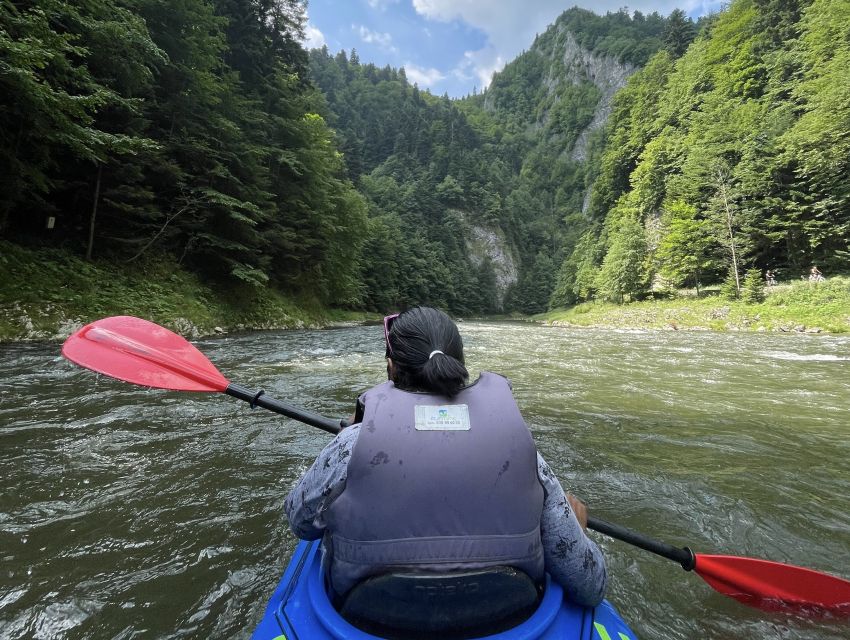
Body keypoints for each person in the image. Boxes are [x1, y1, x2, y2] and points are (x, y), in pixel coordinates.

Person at [284, 306, 607, 612]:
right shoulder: (520, 446)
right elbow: (589, 585)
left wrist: (354, 438)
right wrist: (577, 531)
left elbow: (302, 524)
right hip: (504, 611)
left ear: (392, 366)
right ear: (459, 363)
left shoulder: (351, 444)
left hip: (371, 612)